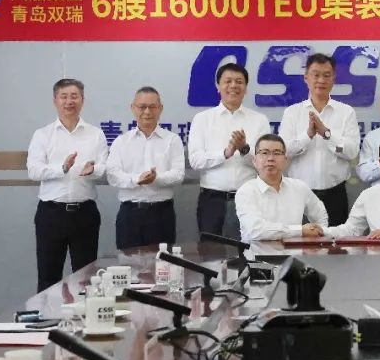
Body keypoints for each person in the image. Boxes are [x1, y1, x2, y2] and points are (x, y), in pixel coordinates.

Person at [26, 78, 108, 292]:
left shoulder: (95, 134)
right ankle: (47, 314)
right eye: (64, 97)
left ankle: (85, 313)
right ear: (55, 101)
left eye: (74, 96)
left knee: (86, 279)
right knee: (48, 276)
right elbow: (33, 171)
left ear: (83, 100)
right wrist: (61, 168)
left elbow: (105, 167)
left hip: (84, 214)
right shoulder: (43, 135)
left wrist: (94, 170)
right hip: (51, 214)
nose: (69, 101)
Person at [188, 63, 271, 237]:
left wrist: (244, 149)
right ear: (218, 86)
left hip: (248, 199)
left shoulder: (259, 120)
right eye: (228, 81)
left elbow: (265, 164)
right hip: (211, 200)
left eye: (239, 82)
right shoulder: (202, 119)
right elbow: (195, 161)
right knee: (210, 251)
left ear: (246, 88)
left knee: (248, 249)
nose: (233, 85)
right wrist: (225, 153)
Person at [278, 53, 360, 224]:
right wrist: (307, 136)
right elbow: (284, 151)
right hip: (299, 195)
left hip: (335, 195)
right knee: (298, 240)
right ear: (306, 78)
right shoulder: (292, 113)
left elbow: (352, 152)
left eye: (326, 75)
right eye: (316, 75)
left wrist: (327, 134)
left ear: (333, 79)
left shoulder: (346, 112)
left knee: (335, 241)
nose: (321, 80)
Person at [105, 87, 185, 250]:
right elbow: (113, 175)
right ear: (133, 108)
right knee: (128, 263)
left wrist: (156, 178)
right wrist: (137, 179)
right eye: (142, 107)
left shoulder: (172, 140)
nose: (147, 112)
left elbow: (178, 174)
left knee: (162, 263)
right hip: (129, 213)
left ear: (160, 108)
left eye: (152, 107)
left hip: (161, 213)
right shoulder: (121, 141)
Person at [235, 134, 329, 241]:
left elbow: (320, 215)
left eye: (277, 153)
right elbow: (256, 230)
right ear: (254, 160)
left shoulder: (299, 187)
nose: (270, 158)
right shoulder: (246, 191)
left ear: (285, 160)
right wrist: (300, 231)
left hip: (295, 251)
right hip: (257, 251)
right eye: (264, 153)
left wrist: (318, 237)